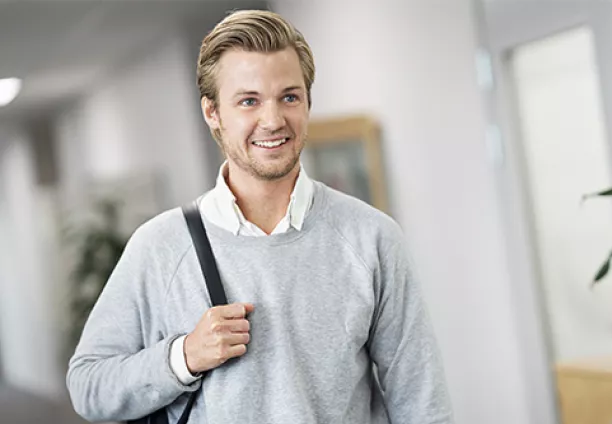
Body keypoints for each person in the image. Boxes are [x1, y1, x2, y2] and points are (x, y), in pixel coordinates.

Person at [66, 9, 453, 424]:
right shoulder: (160, 246)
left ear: (307, 101)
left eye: (289, 96)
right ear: (213, 113)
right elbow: (89, 386)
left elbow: (421, 401)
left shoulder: (371, 238)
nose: (272, 120)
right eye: (249, 101)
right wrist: (184, 357)